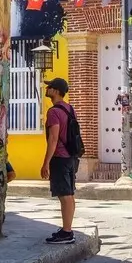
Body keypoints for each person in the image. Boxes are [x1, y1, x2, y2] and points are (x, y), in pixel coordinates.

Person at [40, 77, 80, 244]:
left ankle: (66, 232)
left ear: (56, 91)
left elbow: (54, 139)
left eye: (50, 87)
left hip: (60, 158)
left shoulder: (54, 112)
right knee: (69, 194)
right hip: (71, 157)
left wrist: (45, 163)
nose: (47, 89)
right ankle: (67, 228)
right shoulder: (69, 109)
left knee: (64, 195)